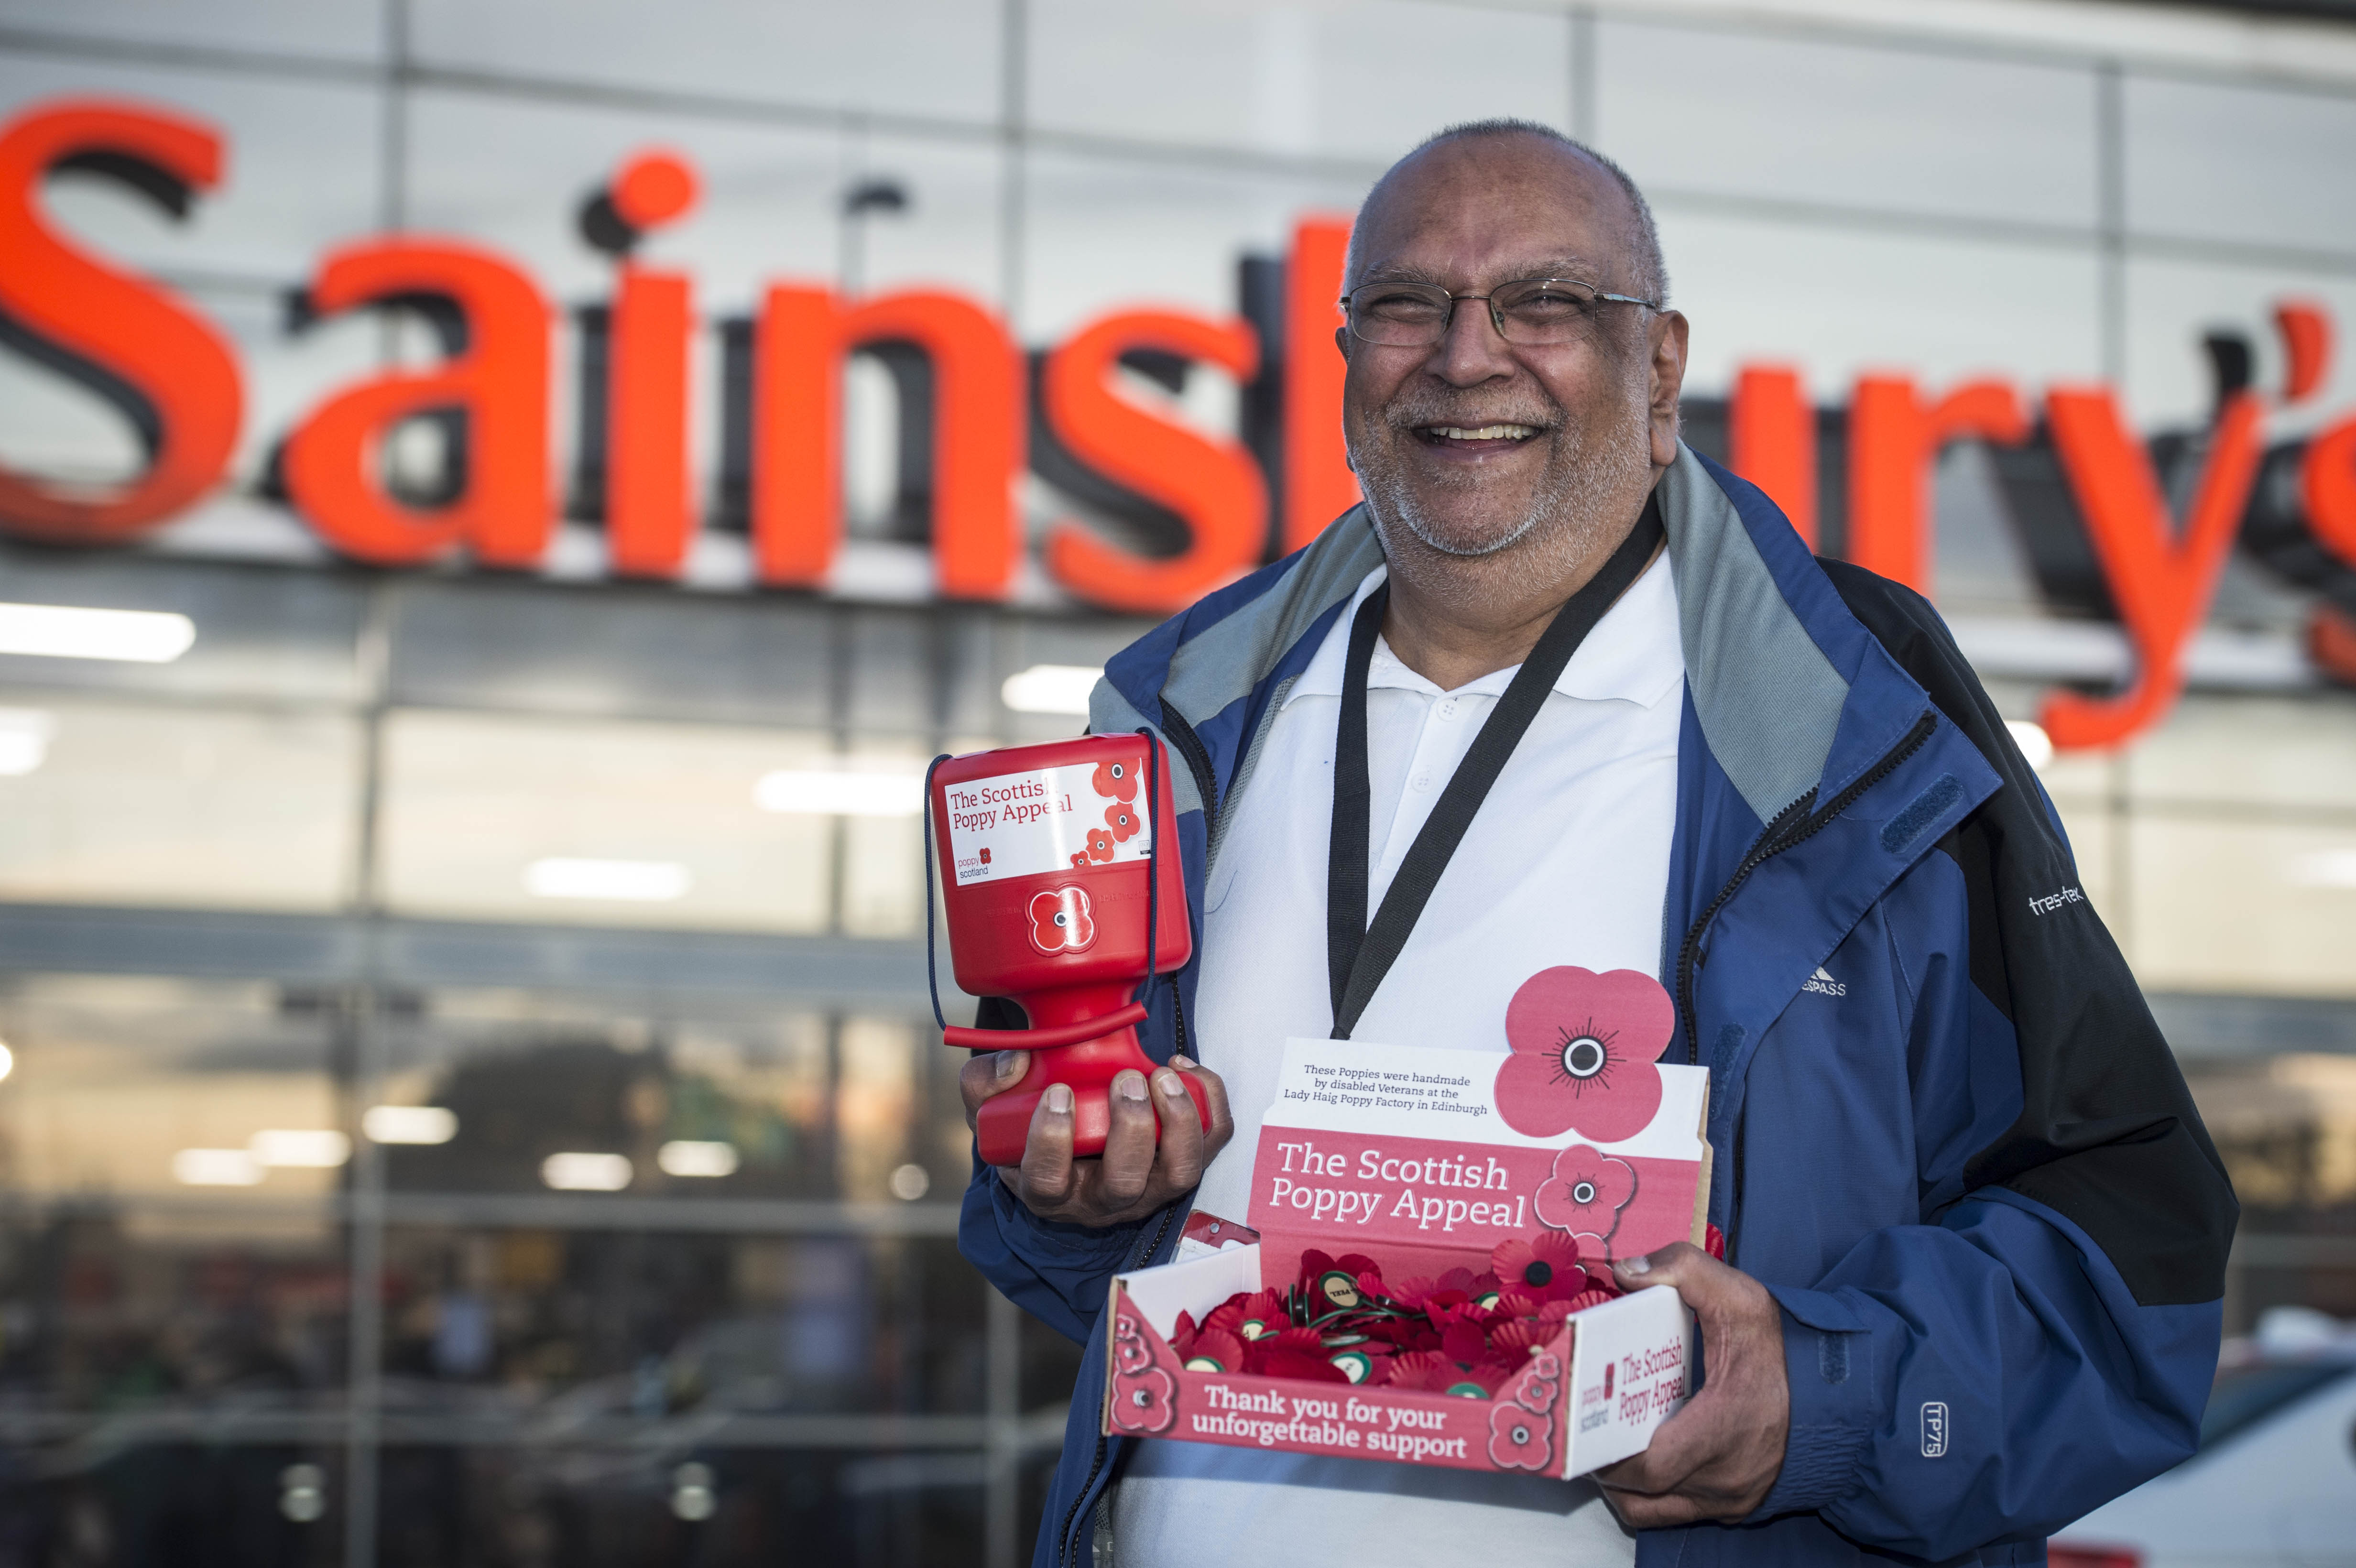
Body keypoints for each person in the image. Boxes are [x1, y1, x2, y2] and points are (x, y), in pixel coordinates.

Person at [958, 119, 2236, 1568]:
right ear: (1345, 362)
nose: (1465, 355)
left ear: (1664, 368)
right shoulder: (1186, 725)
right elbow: (1090, 1254)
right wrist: (1078, 1194)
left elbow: (2135, 1247)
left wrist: (1820, 1393)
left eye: (1546, 304)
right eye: (1405, 304)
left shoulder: (1855, 723)